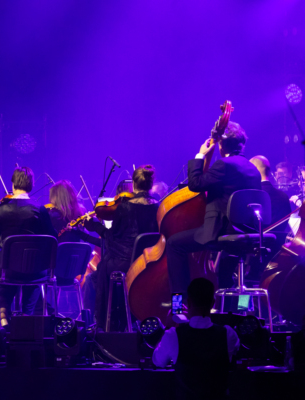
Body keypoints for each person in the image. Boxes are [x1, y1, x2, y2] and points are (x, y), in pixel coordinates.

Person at [166, 121, 261, 296]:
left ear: (221, 144)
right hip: (246, 231)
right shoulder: (252, 169)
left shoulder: (224, 165)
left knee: (173, 244)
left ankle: (179, 305)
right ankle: (231, 304)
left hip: (221, 231)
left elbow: (195, 184)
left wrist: (200, 155)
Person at [84, 165, 159, 330]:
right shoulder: (158, 206)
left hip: (126, 263)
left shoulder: (125, 207)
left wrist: (95, 226)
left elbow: (112, 238)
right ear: (151, 184)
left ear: (133, 184)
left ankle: (103, 324)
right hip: (149, 263)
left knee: (98, 271)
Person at [0, 167, 57, 327]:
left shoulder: (1, 209)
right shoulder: (40, 209)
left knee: (6, 268)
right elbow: (52, 236)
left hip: (8, 269)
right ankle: (26, 315)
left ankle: (4, 315)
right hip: (35, 270)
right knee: (33, 273)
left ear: (12, 184)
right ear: (31, 185)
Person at [153, 278, 240, 399]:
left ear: (188, 303)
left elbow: (158, 362)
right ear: (213, 303)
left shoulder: (173, 335)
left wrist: (168, 326)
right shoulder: (228, 334)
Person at [46, 180, 100, 316]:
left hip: (54, 274)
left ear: (56, 198)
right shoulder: (80, 215)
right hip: (75, 274)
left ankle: (46, 313)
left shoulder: (51, 217)